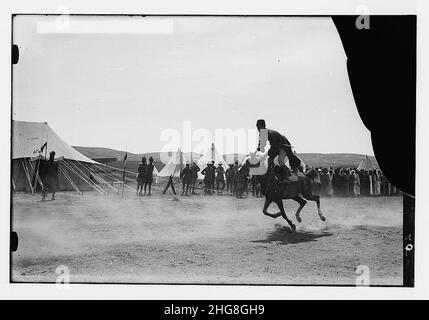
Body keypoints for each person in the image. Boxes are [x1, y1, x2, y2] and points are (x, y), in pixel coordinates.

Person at [256, 119, 302, 183]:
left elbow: (274, 146)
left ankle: (286, 176)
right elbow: (261, 142)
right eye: (257, 127)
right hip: (277, 146)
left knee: (280, 160)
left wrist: (268, 153)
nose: (257, 128)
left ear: (262, 126)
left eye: (258, 126)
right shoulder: (262, 133)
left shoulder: (270, 133)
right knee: (268, 159)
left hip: (284, 145)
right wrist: (259, 147)